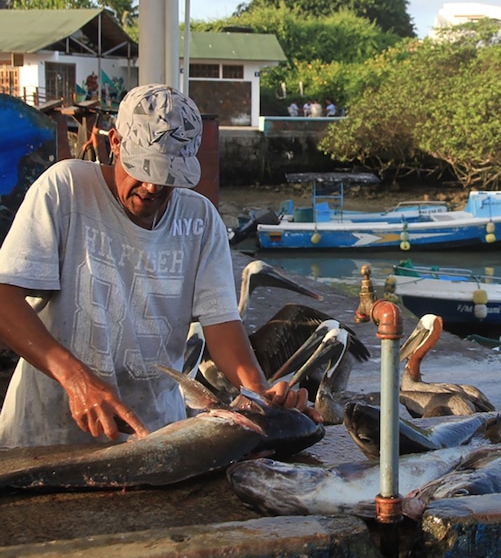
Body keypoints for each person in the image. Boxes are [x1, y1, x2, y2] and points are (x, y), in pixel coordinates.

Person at [0, 84, 313, 448]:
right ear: (115, 143)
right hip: (46, 439)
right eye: (141, 168)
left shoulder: (200, 220)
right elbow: (5, 297)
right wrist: (75, 378)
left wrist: (259, 392)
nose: (151, 187)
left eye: (168, 176)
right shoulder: (66, 188)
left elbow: (222, 323)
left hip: (157, 439)